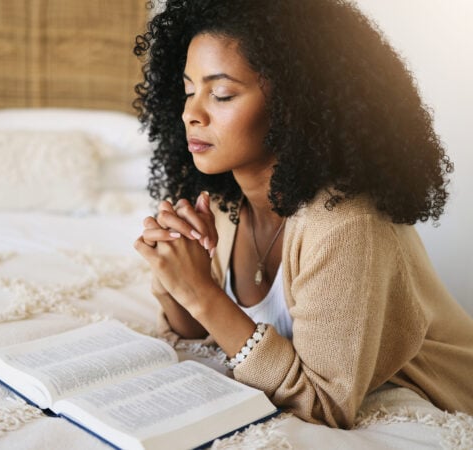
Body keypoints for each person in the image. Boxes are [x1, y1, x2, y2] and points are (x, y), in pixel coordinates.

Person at [132, 0, 473, 429]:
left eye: (221, 94)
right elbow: (195, 333)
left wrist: (205, 293)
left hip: (448, 402)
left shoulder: (345, 224)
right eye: (188, 90)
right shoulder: (224, 204)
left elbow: (324, 406)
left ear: (295, 103)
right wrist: (176, 270)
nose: (190, 113)